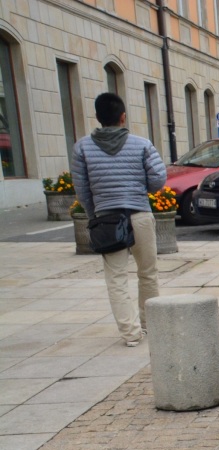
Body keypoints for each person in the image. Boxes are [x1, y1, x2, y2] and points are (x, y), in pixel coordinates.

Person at [70, 93, 166, 347]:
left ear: (98, 117)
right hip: (140, 214)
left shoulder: (82, 147)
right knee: (148, 273)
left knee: (116, 277)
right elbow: (158, 180)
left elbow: (82, 190)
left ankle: (131, 333)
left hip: (107, 218)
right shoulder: (142, 144)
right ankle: (151, 324)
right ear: (123, 116)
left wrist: (95, 214)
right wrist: (138, 187)